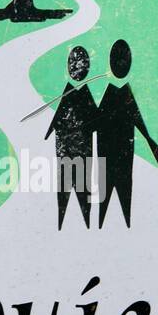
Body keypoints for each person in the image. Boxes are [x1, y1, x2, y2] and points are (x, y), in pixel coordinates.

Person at [95, 39, 156, 228]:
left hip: (119, 151)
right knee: (110, 191)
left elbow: (96, 122)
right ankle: (107, 221)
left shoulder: (118, 94)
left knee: (121, 190)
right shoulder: (116, 94)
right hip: (113, 151)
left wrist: (148, 138)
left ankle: (122, 222)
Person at [45, 45, 97, 227]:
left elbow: (95, 119)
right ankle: (61, 221)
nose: (75, 66)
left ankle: (86, 221)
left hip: (82, 149)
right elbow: (58, 116)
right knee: (64, 185)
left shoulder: (84, 94)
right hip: (66, 147)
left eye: (79, 63)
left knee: (82, 187)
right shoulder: (70, 92)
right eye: (73, 63)